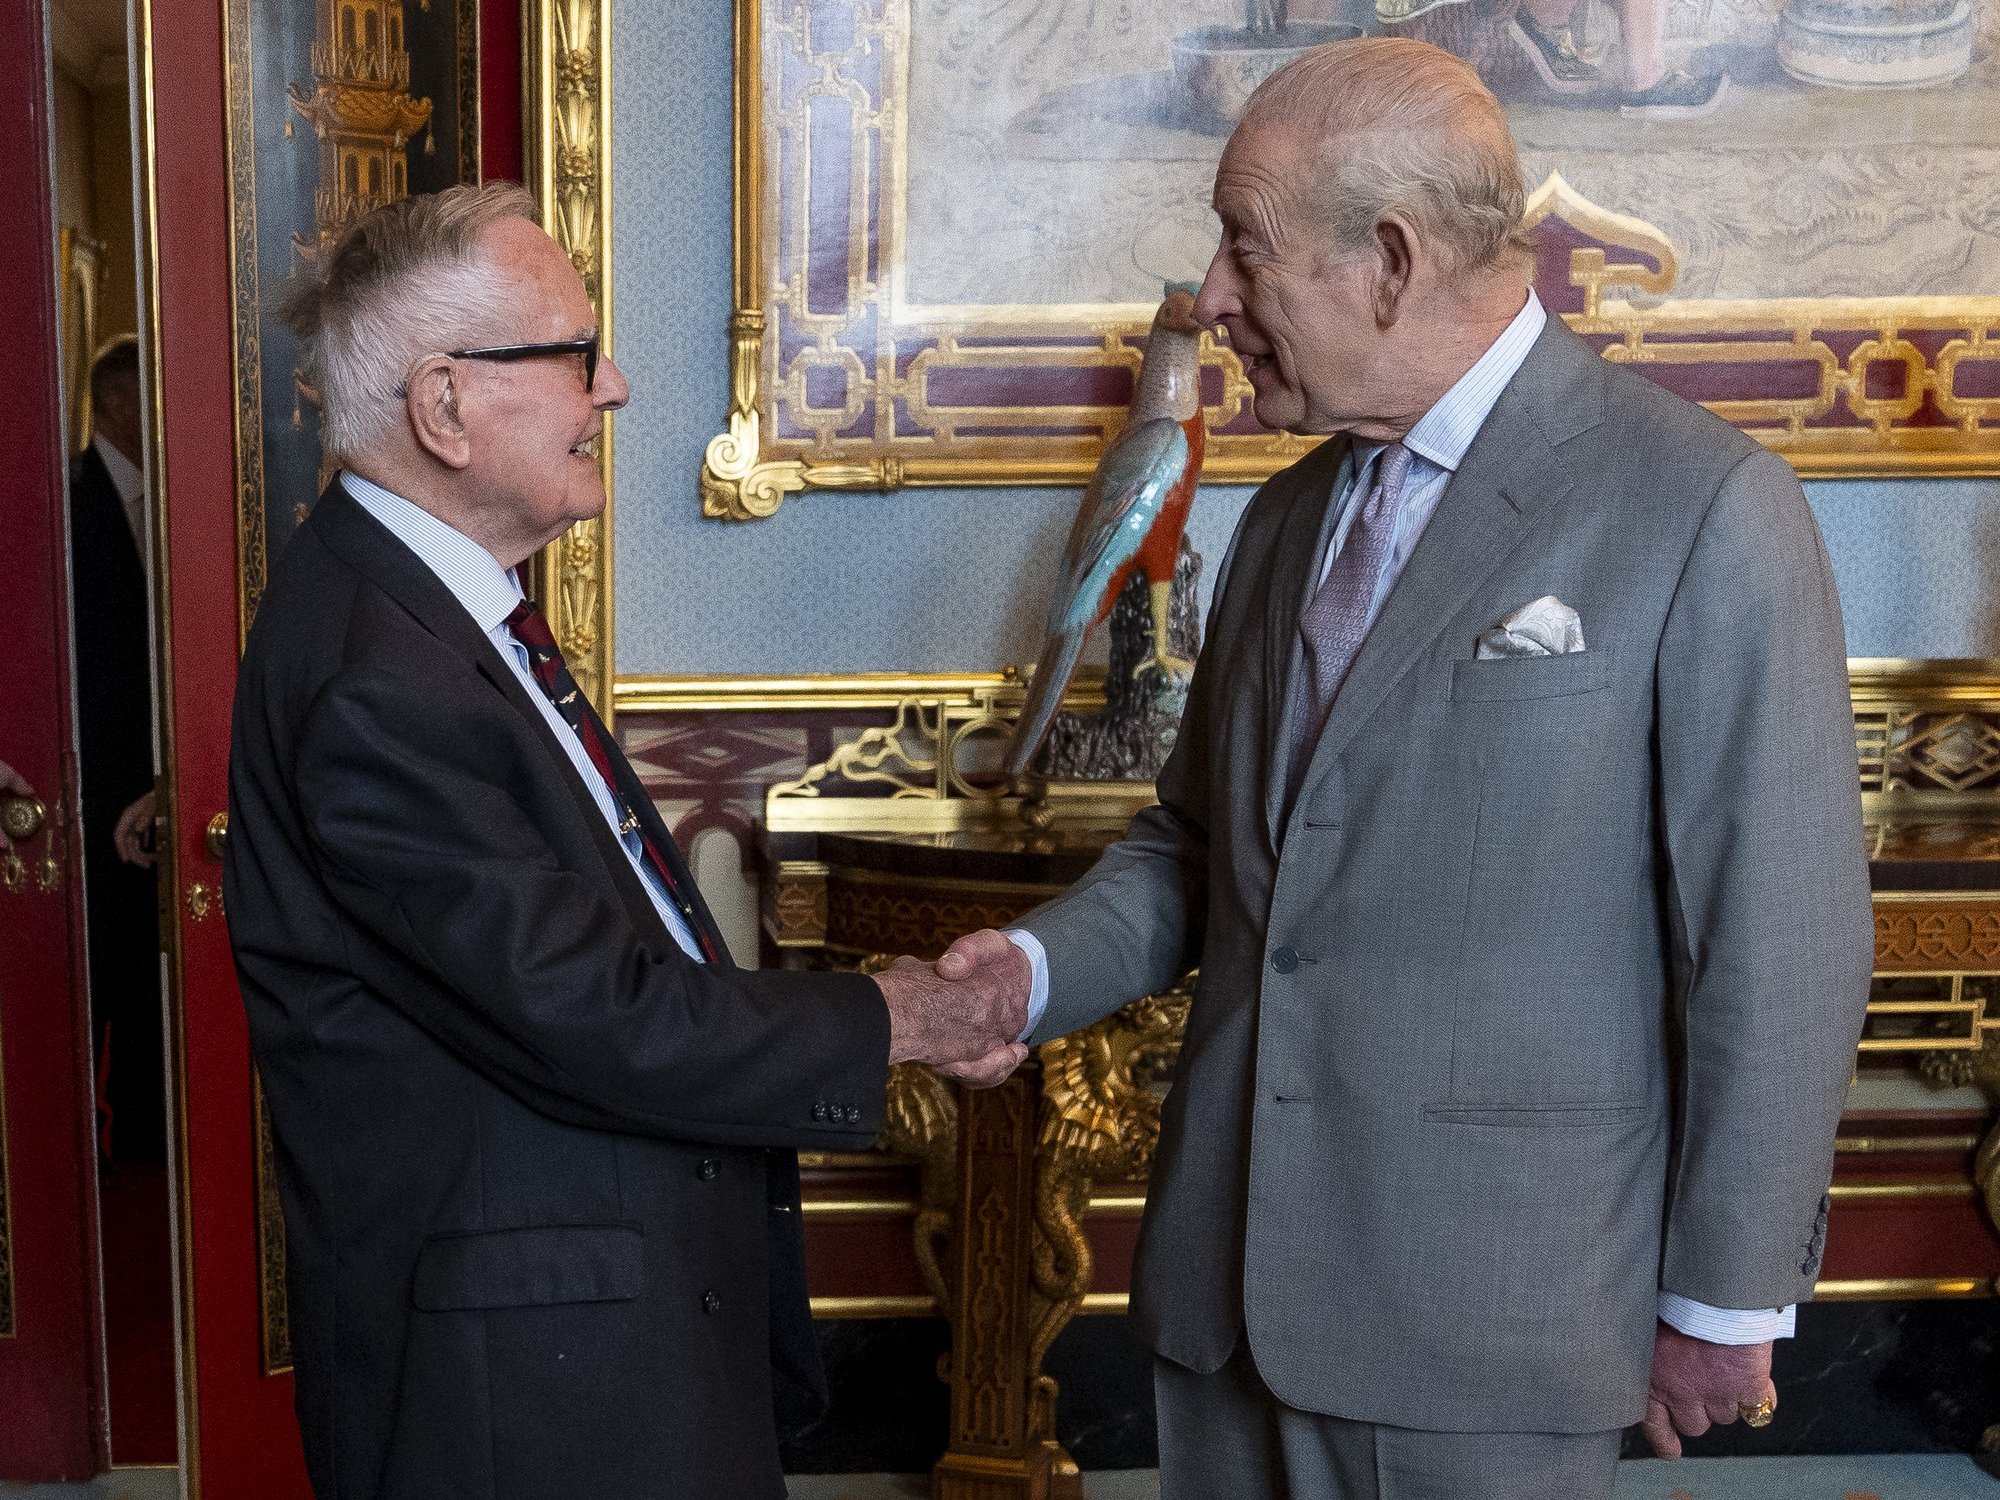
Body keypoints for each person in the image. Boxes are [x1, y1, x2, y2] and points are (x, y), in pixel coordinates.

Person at [938, 37, 1870, 1500]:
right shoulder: (1284, 517)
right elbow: (1203, 850)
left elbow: (1779, 938)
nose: (1213, 295)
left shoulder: (1701, 507)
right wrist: (1025, 973)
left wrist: (1726, 1298)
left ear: (1388, 260)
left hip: (1490, 1319)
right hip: (1220, 1303)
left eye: (1244, 246)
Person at [223, 183, 1025, 1500]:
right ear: (444, 405)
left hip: (589, 1339)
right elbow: (592, 1011)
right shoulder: (377, 676)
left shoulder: (429, 616)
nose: (617, 388)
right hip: (526, 1393)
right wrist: (901, 1018)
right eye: (577, 354)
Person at [69, 335, 165, 1164]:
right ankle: (78, 1140)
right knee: (92, 967)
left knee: (142, 962)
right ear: (116, 405)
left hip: (155, 777)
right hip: (86, 782)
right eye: (150, 396)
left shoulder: (169, 500)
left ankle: (139, 1131)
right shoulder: (67, 497)